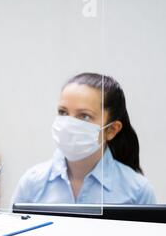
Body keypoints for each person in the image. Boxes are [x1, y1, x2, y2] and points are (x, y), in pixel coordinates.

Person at [12, 73, 156, 205]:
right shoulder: (31, 183)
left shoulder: (138, 192)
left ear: (111, 130)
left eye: (84, 116)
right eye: (63, 112)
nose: (68, 123)